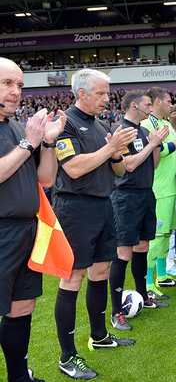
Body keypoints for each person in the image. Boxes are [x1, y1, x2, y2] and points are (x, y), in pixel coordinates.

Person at [52, 68, 136, 379]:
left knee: (100, 270)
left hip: (104, 204)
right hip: (75, 207)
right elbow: (73, 168)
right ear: (83, 93)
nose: (107, 98)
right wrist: (110, 149)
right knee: (73, 277)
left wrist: (116, 154)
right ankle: (67, 356)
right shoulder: (66, 123)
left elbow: (118, 172)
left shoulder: (101, 126)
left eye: (107, 92)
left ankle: (99, 336)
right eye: (101, 93)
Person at [0, 57, 65, 382]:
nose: (16, 92)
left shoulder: (17, 127)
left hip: (27, 230)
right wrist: (29, 143)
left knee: (23, 306)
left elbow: (46, 179)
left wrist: (48, 142)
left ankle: (18, 377)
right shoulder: (23, 134)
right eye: (7, 84)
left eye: (20, 86)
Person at [109, 90, 170, 333]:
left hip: (146, 194)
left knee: (142, 248)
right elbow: (129, 165)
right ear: (135, 106)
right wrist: (153, 143)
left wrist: (155, 143)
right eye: (147, 104)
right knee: (123, 252)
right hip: (126, 196)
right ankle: (116, 311)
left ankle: (143, 295)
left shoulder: (144, 131)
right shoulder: (120, 130)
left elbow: (152, 165)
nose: (150, 108)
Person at [141, 87, 176, 301]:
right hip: (159, 189)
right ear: (157, 102)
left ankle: (162, 275)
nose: (171, 105)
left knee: (166, 236)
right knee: (155, 238)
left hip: (171, 188)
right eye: (168, 100)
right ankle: (147, 283)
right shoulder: (146, 125)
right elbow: (160, 150)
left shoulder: (165, 125)